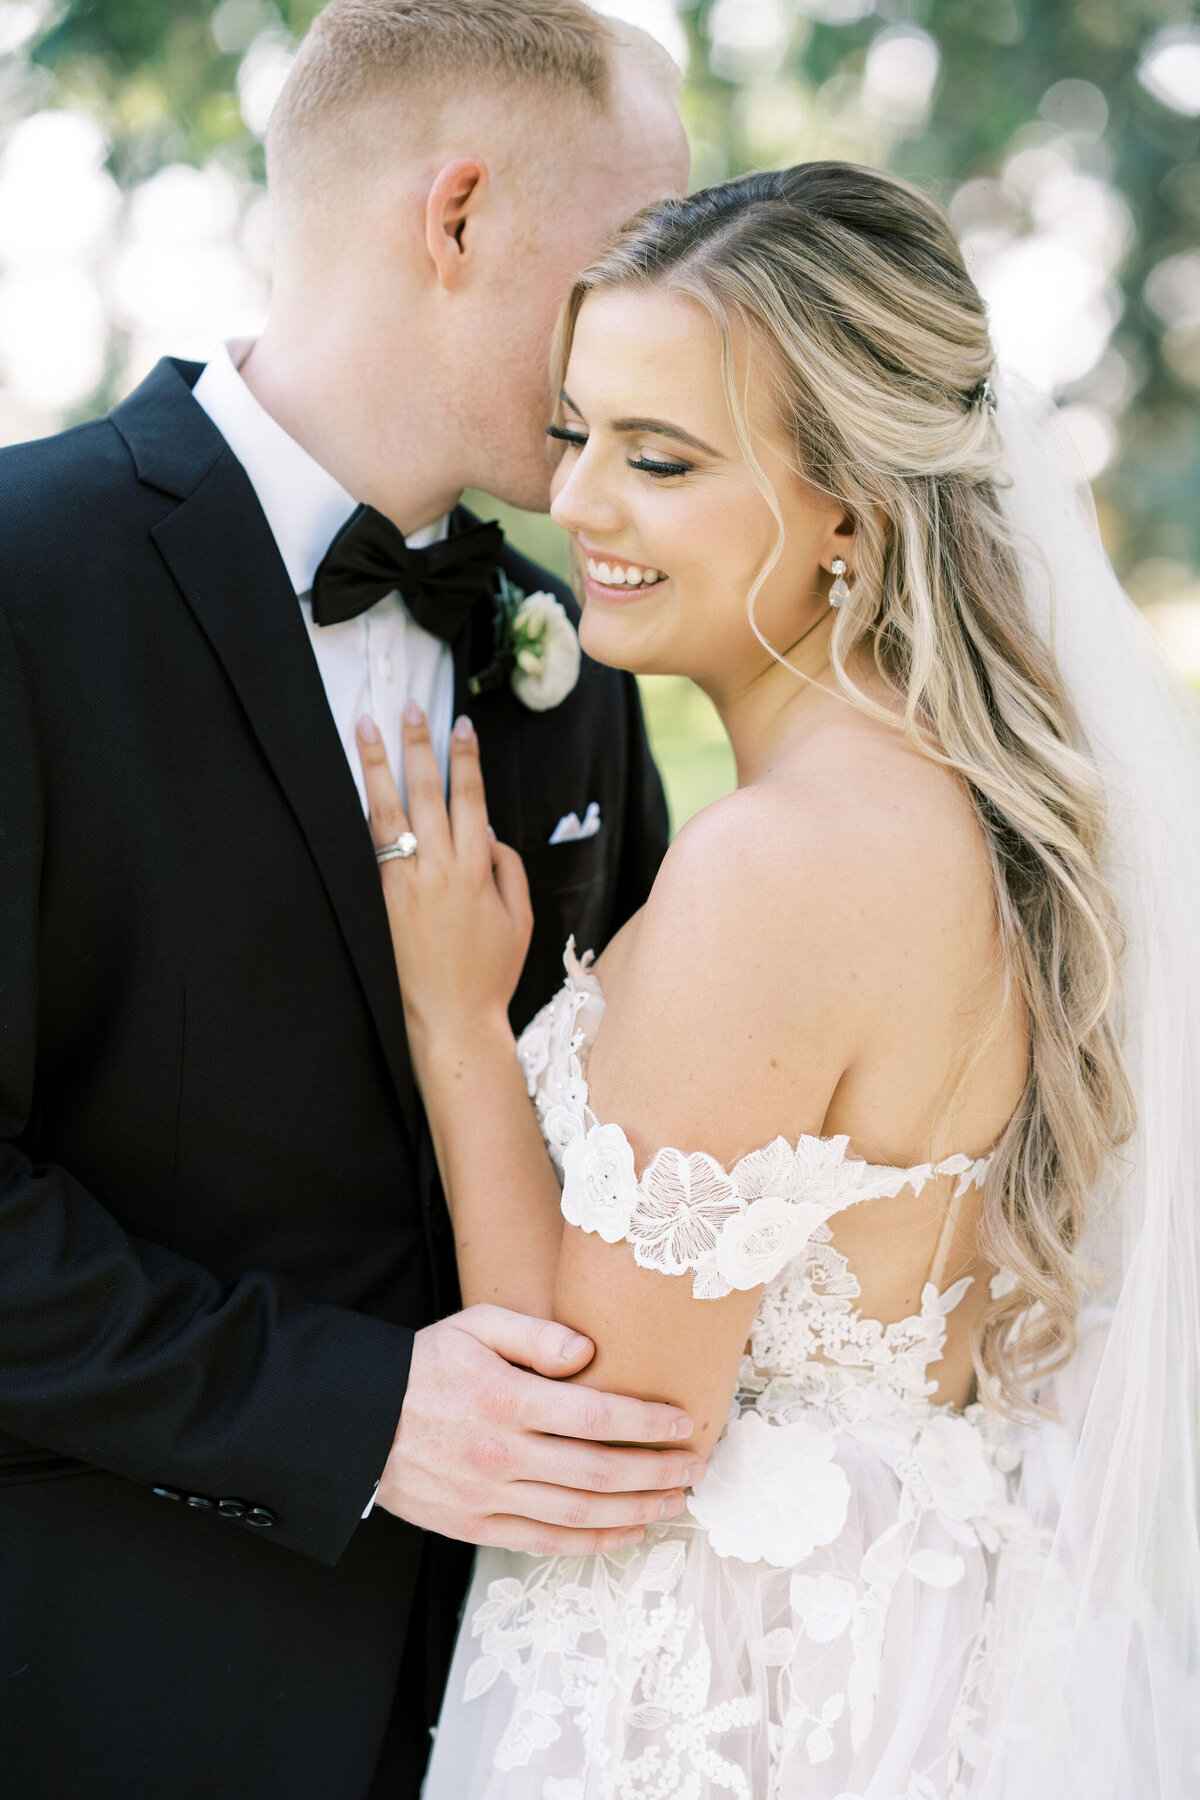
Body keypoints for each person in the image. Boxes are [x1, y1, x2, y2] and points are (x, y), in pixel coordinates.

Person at [355, 163, 1200, 1797]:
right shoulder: (968, 810)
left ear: (848, 518)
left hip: (712, 1700)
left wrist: (458, 1020)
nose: (579, 503)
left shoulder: (786, 860)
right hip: (903, 1658)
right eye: (578, 430)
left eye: (659, 460)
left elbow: (589, 1417)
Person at [0, 4, 695, 1797]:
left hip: (532, 1706)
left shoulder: (581, 664)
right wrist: (355, 1414)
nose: (667, 326)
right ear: (455, 219)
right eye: (628, 258)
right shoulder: (19, 585)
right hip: (110, 1692)